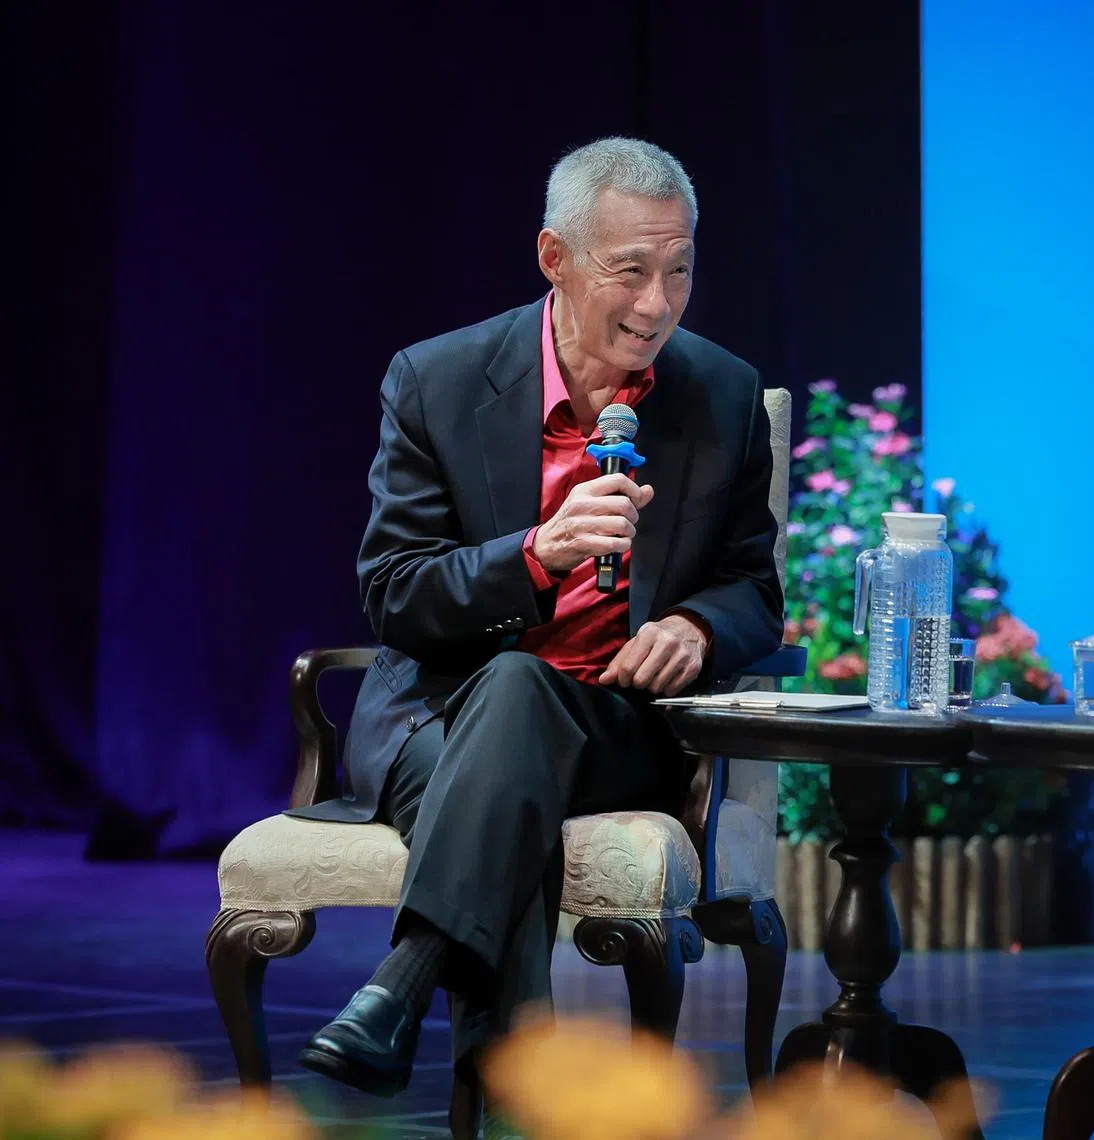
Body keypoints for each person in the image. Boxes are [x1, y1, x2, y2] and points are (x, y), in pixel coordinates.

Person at [292, 137, 784, 1100]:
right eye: (630, 271)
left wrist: (695, 627)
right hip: (440, 719)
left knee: (514, 724)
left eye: (679, 270)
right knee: (512, 703)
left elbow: (752, 588)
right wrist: (535, 554)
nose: (657, 304)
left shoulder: (721, 393)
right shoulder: (437, 380)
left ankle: (402, 983)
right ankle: (516, 1105)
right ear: (555, 258)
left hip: (617, 727)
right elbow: (395, 592)